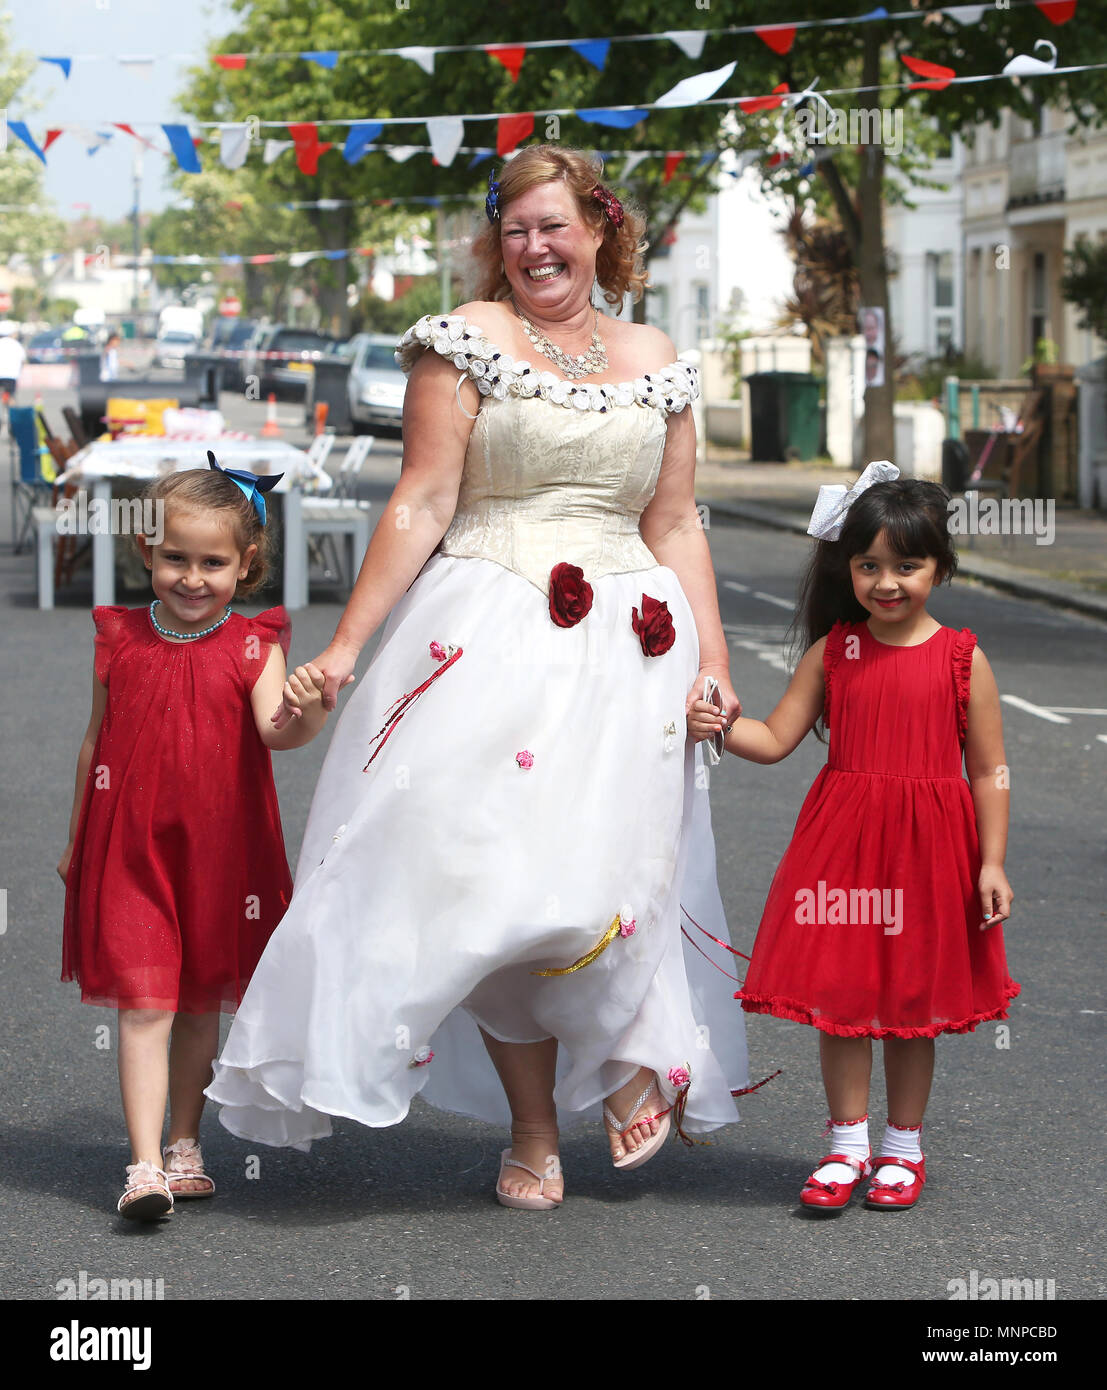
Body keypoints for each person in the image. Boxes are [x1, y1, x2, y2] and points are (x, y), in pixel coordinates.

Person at [206, 144, 749, 1209]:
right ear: (497, 244)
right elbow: (419, 500)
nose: (535, 247)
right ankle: (537, 1127)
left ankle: (636, 1050)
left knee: (614, 877)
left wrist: (717, 667)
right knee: (485, 878)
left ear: (601, 228)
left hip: (634, 648)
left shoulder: (655, 351)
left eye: (555, 225)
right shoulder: (466, 340)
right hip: (488, 631)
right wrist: (346, 649)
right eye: (515, 230)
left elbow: (676, 518)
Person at [689, 465, 1019, 1212]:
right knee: (839, 1000)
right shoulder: (833, 651)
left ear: (940, 567)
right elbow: (773, 738)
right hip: (841, 852)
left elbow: (990, 770)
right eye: (868, 564)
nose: (886, 582)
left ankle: (903, 1150)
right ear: (847, 566)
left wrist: (991, 862)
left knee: (909, 1005)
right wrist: (715, 726)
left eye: (907, 565)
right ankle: (845, 1146)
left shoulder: (964, 658)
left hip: (930, 856)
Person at [59, 456, 332, 1221]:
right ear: (146, 551)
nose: (190, 577)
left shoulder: (255, 643)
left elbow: (280, 732)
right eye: (174, 558)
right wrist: (78, 842)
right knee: (144, 1001)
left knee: (196, 1004)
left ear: (246, 564)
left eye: (213, 562)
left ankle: (185, 1143)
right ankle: (142, 1165)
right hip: (128, 848)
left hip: (220, 855)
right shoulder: (117, 636)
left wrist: (311, 707)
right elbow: (93, 741)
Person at [0, 324, 26, 399]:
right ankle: (11, 409)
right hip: (11, 375)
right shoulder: (16, 344)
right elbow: (23, 360)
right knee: (10, 397)